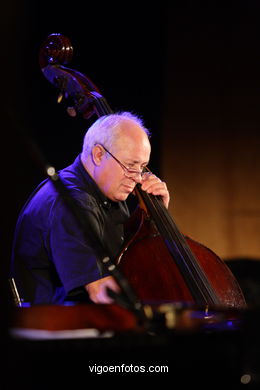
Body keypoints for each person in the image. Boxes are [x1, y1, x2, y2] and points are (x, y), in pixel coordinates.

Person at [10, 112, 170, 305]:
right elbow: (101, 294)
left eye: (142, 167)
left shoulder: (107, 191)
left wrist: (150, 217)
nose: (137, 177)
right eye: (130, 166)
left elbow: (127, 258)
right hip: (56, 326)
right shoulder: (72, 202)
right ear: (98, 154)